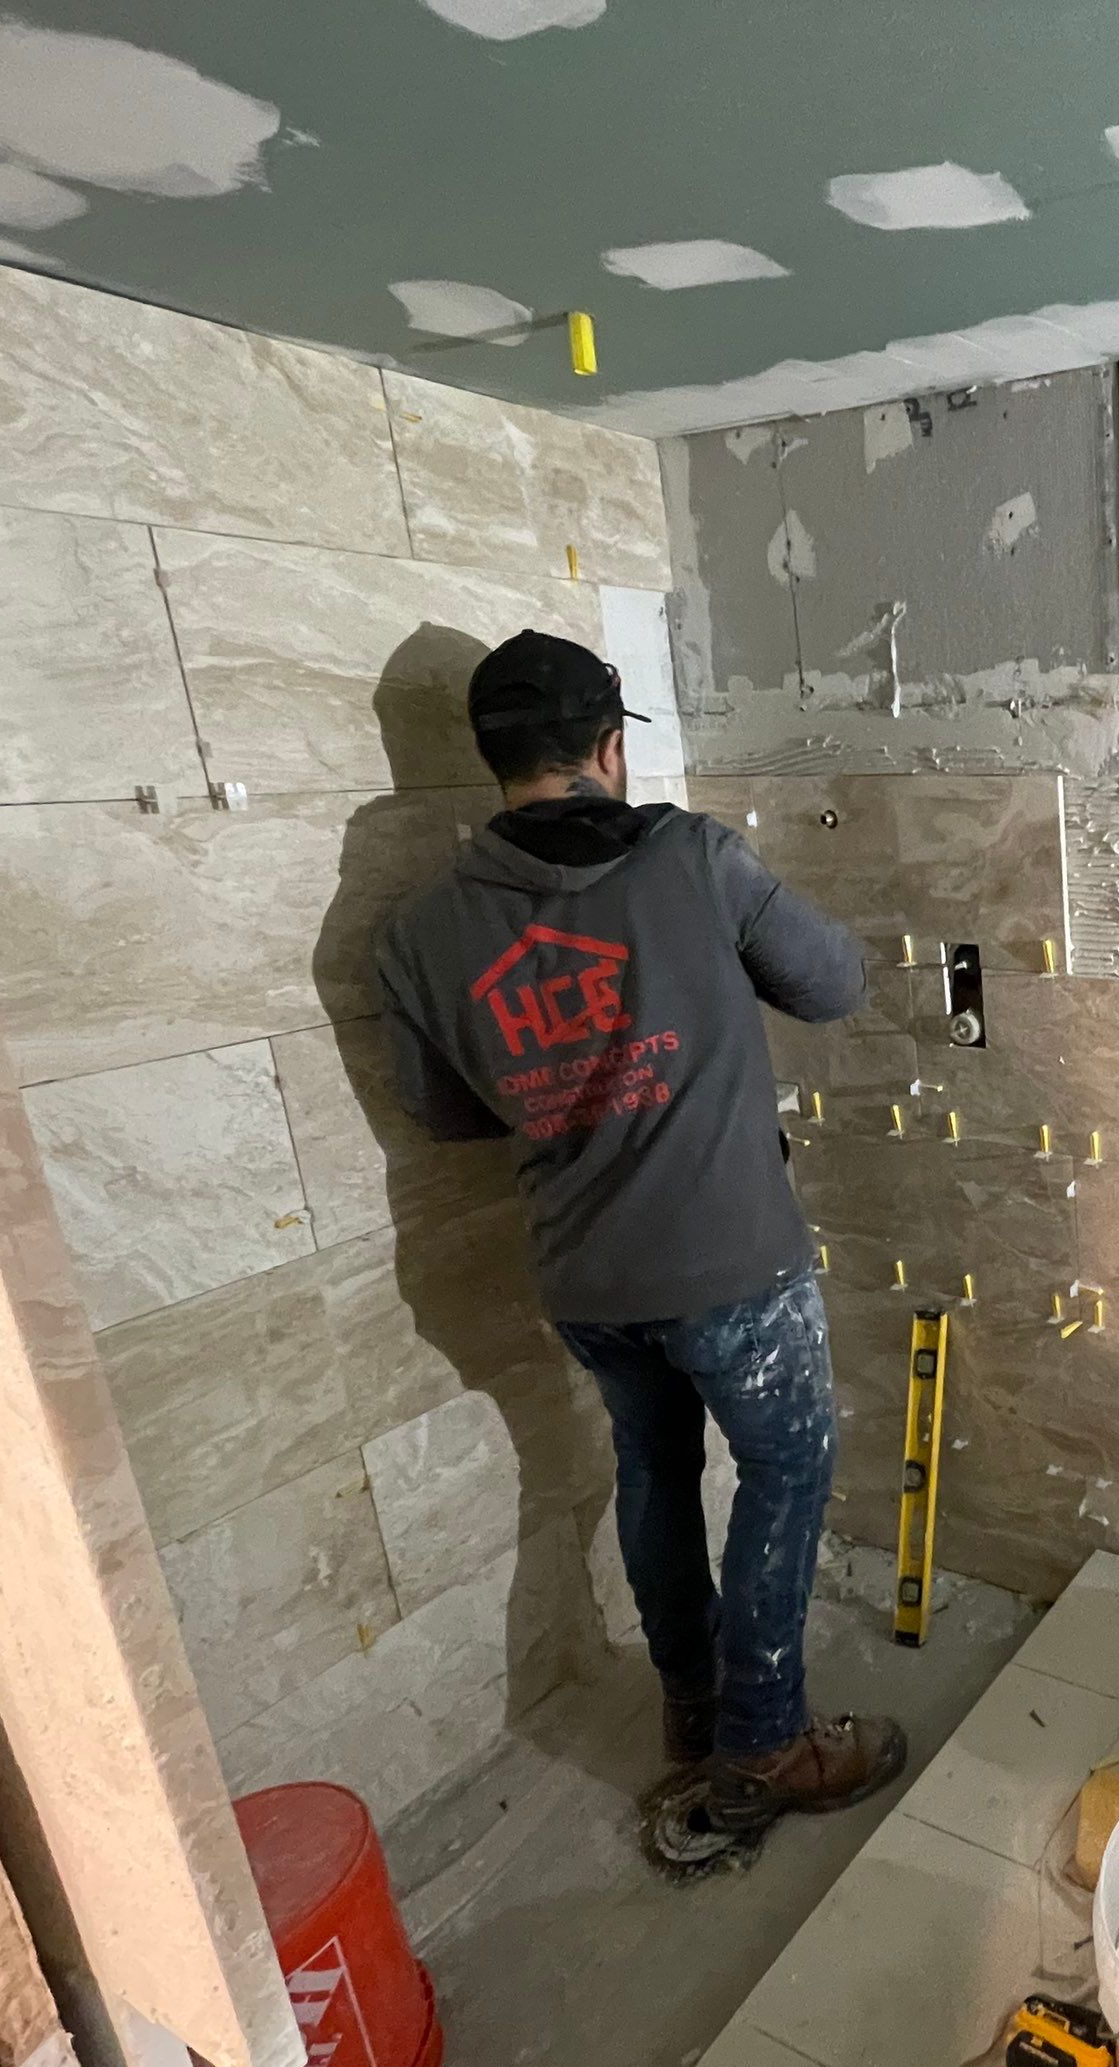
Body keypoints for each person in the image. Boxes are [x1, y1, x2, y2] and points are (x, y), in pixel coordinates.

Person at [372, 627, 905, 1834]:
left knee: (653, 1466)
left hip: (587, 1279)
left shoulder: (421, 929)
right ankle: (764, 1742)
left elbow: (448, 1113)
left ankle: (692, 1703)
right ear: (609, 747)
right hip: (732, 1265)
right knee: (783, 1468)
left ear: (493, 761)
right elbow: (833, 982)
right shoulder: (692, 860)